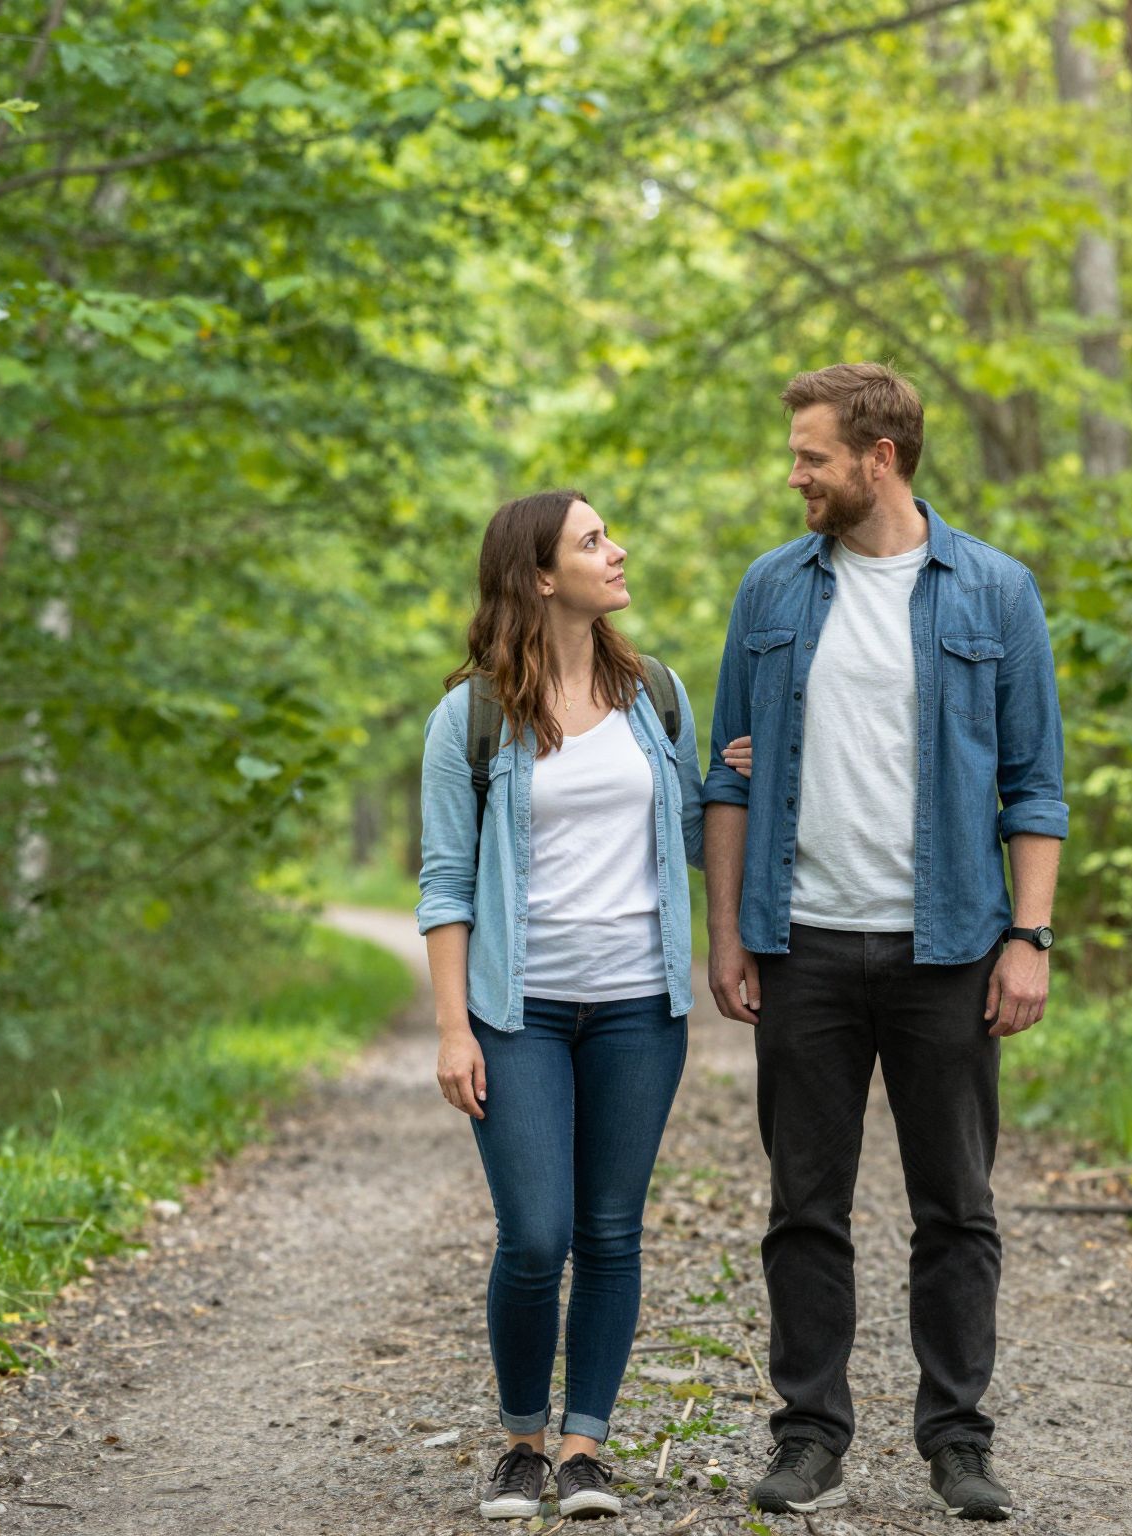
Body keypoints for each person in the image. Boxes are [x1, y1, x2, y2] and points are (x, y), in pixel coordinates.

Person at [701, 364, 1068, 1521]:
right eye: (794, 454)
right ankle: (808, 1436)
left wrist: (1029, 937)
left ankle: (957, 1440)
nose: (793, 474)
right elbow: (727, 772)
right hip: (801, 943)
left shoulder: (993, 593)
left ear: (881, 456)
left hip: (948, 950)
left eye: (811, 456)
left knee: (953, 1208)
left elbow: (1034, 785)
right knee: (802, 1207)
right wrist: (728, 935)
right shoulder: (769, 592)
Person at [416, 489, 707, 1521]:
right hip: (519, 1012)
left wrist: (733, 784)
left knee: (611, 1231)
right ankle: (519, 1441)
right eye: (592, 541)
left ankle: (585, 1445)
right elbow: (446, 882)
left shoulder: (657, 695)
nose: (616, 549)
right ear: (539, 577)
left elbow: (688, 829)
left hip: (639, 1008)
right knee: (535, 1235)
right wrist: (453, 1027)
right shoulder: (472, 715)